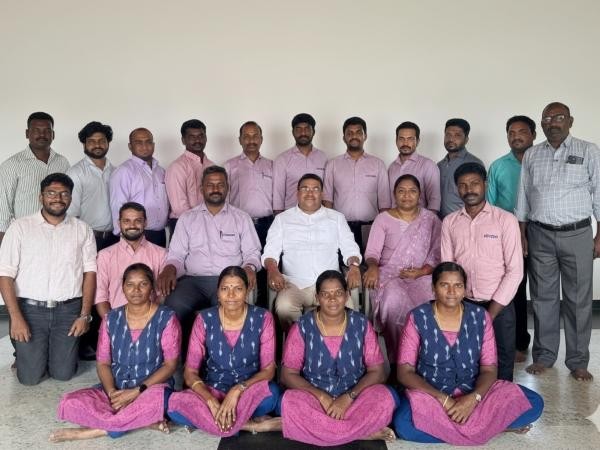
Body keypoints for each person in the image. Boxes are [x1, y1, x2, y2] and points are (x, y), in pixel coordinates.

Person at [393, 262, 544, 445]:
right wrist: (444, 400)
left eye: (458, 285)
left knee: (533, 402)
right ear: (433, 288)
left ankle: (449, 427)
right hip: (432, 396)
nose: (451, 291)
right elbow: (405, 371)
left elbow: (489, 369)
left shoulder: (480, 317)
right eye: (444, 285)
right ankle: (485, 427)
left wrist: (473, 398)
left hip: (473, 393)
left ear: (465, 289)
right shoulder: (417, 317)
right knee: (403, 423)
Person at [260, 270, 396, 446]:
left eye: (338, 293)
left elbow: (377, 371)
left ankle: (285, 426)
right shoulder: (302, 327)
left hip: (354, 396)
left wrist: (348, 397)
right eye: (325, 294)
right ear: (317, 297)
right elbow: (288, 375)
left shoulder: (362, 324)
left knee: (384, 398)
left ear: (347, 295)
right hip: (314, 398)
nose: (332, 299)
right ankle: (361, 432)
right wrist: (322, 397)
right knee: (291, 402)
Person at [515, 102, 600, 381]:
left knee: (578, 301)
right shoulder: (532, 155)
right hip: (539, 234)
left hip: (577, 234)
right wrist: (522, 234)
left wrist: (599, 235)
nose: (552, 122)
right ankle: (544, 355)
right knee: (543, 299)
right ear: (541, 124)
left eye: (559, 117)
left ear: (570, 121)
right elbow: (523, 196)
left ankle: (577, 360)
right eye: (547, 118)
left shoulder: (588, 151)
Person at [50, 263, 181, 442]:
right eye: (130, 284)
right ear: (123, 287)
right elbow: (103, 363)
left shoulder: (167, 318)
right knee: (71, 402)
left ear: (152, 287)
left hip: (151, 389)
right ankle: (142, 421)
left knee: (161, 402)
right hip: (118, 387)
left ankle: (95, 431)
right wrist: (112, 392)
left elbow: (170, 365)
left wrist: (137, 391)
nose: (136, 290)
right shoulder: (111, 318)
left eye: (143, 284)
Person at [0, 173, 96, 385]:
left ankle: (52, 354)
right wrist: (15, 317)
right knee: (29, 378)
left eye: (64, 194)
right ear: (40, 197)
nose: (58, 198)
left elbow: (90, 274)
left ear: (71, 198)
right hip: (30, 311)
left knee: (63, 374)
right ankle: (32, 356)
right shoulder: (20, 228)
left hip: (68, 311)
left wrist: (84, 315)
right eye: (51, 193)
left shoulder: (82, 229)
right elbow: (5, 275)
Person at [167, 266, 279, 436]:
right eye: (225, 289)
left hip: (248, 390)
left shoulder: (263, 318)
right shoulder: (204, 319)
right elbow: (190, 373)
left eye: (238, 289)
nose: (231, 295)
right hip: (212, 388)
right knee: (174, 405)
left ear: (247, 290)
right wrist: (210, 400)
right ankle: (250, 425)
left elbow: (269, 370)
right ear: (218, 292)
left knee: (272, 394)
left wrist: (237, 390)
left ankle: (209, 421)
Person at [159, 166, 261, 351]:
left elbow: (252, 253)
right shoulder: (187, 219)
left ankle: (223, 357)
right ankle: (181, 358)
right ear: (201, 189)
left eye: (220, 184)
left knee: (228, 308)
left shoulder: (241, 218)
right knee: (173, 306)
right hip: (192, 281)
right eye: (210, 185)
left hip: (228, 281)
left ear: (227, 187)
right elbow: (176, 255)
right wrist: (169, 269)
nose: (215, 189)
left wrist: (249, 267)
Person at [442, 162, 523, 381]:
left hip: (500, 305)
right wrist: (454, 304)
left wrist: (492, 312)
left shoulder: (505, 220)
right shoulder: (450, 222)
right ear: (457, 189)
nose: (469, 189)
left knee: (503, 359)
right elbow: (448, 268)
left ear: (485, 184)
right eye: (463, 185)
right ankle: (474, 397)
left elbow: (515, 271)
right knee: (468, 359)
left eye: (474, 183)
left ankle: (502, 397)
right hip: (464, 305)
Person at [262, 174, 361, 330]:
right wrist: (273, 269)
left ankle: (330, 343)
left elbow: (350, 247)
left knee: (347, 310)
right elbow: (270, 252)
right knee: (284, 308)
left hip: (329, 283)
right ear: (297, 193)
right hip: (294, 283)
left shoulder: (336, 218)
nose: (310, 193)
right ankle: (299, 340)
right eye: (305, 188)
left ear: (322, 193)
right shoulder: (282, 219)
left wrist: (354, 266)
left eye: (315, 189)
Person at [363, 174, 441, 365]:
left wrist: (422, 271)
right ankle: (399, 360)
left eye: (412, 191)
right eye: (402, 191)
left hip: (422, 276)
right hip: (390, 276)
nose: (407, 195)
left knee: (430, 303)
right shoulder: (383, 219)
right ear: (394, 194)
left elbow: (438, 252)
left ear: (420, 195)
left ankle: (427, 360)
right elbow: (372, 253)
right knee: (393, 302)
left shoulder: (431, 219)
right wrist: (372, 266)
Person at [487, 115, 536, 362]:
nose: (516, 137)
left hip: (542, 229)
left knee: (543, 291)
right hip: (509, 233)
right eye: (511, 132)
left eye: (522, 132)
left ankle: (544, 348)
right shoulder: (498, 166)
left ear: (533, 135)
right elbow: (490, 205)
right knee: (515, 287)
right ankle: (518, 342)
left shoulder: (542, 162)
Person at [0, 112, 70, 244]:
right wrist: (5, 246)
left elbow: (68, 198)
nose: (42, 135)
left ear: (53, 134)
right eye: (36, 130)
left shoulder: (62, 162)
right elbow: (2, 209)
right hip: (26, 236)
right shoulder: (11, 165)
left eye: (47, 131)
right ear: (27, 133)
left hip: (59, 235)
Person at [323, 116, 391, 251]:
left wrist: (384, 230)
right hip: (341, 227)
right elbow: (327, 200)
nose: (354, 136)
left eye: (358, 132)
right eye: (349, 133)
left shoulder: (378, 164)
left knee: (370, 261)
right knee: (343, 262)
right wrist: (330, 227)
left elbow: (384, 203)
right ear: (344, 138)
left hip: (371, 227)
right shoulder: (333, 165)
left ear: (365, 136)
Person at [224, 121, 273, 306]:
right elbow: (224, 198)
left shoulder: (272, 166)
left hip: (267, 224)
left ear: (261, 139)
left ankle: (264, 308)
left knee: (266, 266)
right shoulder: (230, 166)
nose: (251, 140)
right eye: (246, 136)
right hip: (239, 226)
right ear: (240, 140)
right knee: (243, 265)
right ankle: (243, 306)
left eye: (255, 136)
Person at [95, 202, 166, 319]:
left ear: (145, 223)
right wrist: (112, 323)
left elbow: (162, 295)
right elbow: (100, 296)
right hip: (114, 321)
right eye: (126, 221)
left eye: (138, 221)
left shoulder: (161, 254)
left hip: (151, 320)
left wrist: (148, 321)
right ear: (119, 223)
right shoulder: (104, 256)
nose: (132, 225)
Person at [109, 128, 169, 247]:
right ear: (130, 146)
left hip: (160, 235)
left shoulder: (160, 171)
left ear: (153, 145)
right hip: (135, 236)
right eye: (138, 142)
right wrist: (124, 239)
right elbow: (117, 206)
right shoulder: (123, 171)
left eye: (148, 142)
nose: (144, 146)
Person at [67, 121, 118, 251]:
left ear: (108, 143)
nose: (97, 145)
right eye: (91, 141)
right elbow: (71, 214)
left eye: (102, 141)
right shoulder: (75, 173)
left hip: (115, 239)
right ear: (84, 144)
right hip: (87, 239)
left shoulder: (116, 172)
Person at [165, 119, 214, 232]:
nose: (197, 140)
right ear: (183, 140)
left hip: (209, 223)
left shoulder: (211, 166)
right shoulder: (177, 167)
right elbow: (179, 207)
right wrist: (200, 224)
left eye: (201, 136)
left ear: (206, 138)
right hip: (184, 224)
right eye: (192, 137)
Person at [273, 113, 327, 213]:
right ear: (293, 132)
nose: (303, 133)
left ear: (313, 132)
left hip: (318, 216)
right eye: (298, 129)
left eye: (307, 129)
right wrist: (279, 217)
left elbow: (326, 190)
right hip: (291, 215)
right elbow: (278, 192)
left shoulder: (323, 157)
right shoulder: (282, 159)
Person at [388, 121, 441, 212]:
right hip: (394, 218)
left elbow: (434, 200)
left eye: (410, 139)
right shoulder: (392, 167)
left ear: (418, 141)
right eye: (401, 139)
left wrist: (428, 220)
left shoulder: (428, 165)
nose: (405, 143)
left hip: (420, 219)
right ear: (396, 141)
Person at [438, 118, 484, 219]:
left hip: (465, 220)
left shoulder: (474, 163)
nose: (451, 139)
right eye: (448, 135)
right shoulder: (439, 165)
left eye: (457, 135)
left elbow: (480, 198)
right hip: (440, 221)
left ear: (466, 139)